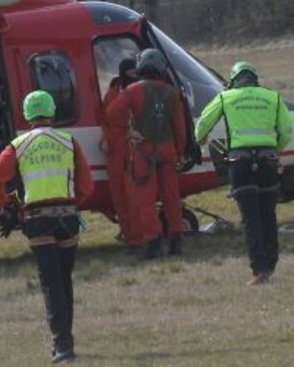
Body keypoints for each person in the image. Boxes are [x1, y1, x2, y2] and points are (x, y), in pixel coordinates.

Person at [0, 90, 94, 363]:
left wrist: (9, 205)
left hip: (37, 220)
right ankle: (66, 340)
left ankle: (62, 344)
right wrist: (73, 203)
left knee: (50, 283)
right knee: (64, 280)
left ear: (26, 115)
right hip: (67, 218)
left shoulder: (18, 145)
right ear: (52, 112)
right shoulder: (69, 142)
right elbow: (87, 186)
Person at [194, 61, 293, 285]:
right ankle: (271, 263)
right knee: (268, 215)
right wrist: (275, 150)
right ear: (254, 79)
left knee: (251, 218)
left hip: (240, 164)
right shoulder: (273, 97)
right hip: (267, 162)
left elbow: (203, 123)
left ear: (234, 80)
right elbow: (287, 131)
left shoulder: (225, 97)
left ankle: (259, 270)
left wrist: (200, 139)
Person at [106, 48, 188, 259]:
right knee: (171, 198)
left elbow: (112, 113)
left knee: (145, 201)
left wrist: (129, 131)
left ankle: (154, 244)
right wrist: (179, 153)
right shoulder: (172, 93)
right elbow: (180, 130)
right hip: (167, 151)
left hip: (143, 153)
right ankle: (176, 241)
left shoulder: (133, 90)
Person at [102, 57, 139, 245]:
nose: (134, 76)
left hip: (135, 149)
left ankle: (139, 235)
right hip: (116, 149)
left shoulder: (141, 92)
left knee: (135, 196)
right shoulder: (112, 95)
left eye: (136, 73)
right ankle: (129, 235)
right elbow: (105, 120)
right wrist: (105, 139)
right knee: (119, 197)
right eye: (131, 73)